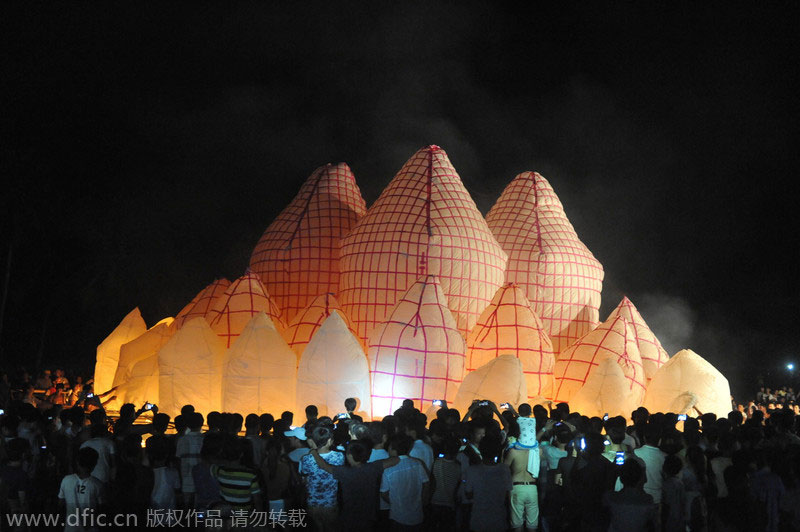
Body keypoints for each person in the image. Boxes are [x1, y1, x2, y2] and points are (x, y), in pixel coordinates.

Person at [308, 438, 399, 531]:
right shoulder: (373, 468)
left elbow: (324, 466)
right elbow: (395, 460)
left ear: (349, 456)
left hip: (350, 516)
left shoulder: (344, 472)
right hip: (369, 516)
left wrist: (314, 453)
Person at [381, 433, 430, 531]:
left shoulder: (388, 469)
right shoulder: (418, 463)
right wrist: (422, 501)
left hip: (398, 517)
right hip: (417, 515)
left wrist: (395, 503)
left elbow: (384, 493)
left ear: (393, 449)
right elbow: (426, 484)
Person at [299, 425, 343, 531]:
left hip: (312, 502)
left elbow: (304, 478)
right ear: (329, 441)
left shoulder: (306, 459)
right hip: (330, 502)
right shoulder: (339, 456)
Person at [465, 434, 513, 532]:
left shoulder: (472, 470)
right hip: (499, 520)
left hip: (478, 521)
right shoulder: (504, 470)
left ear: (481, 450)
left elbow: (468, 494)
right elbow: (508, 495)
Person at [504, 416, 541, 532]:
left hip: (516, 487)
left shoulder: (513, 452)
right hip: (532, 487)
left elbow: (503, 469)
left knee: (517, 523)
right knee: (532, 525)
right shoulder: (538, 451)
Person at [58, 446, 105, 532]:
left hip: (70, 528)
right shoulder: (97, 484)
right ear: (94, 464)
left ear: (77, 462)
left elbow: (61, 503)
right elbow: (101, 509)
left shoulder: (66, 480)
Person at [603, 460, 656, 532]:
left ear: (621, 478)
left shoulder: (611, 497)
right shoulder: (648, 499)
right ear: (640, 478)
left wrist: (613, 474)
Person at [176, 412, 205, 508]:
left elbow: (178, 459)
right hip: (201, 478)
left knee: (187, 507)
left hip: (186, 478)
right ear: (202, 423)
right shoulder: (204, 439)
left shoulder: (182, 440)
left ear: (187, 424)